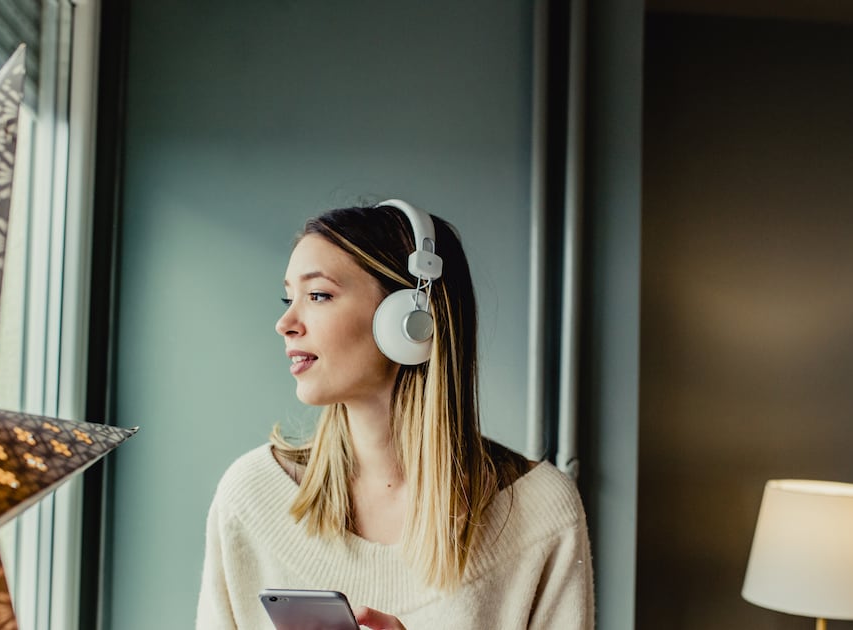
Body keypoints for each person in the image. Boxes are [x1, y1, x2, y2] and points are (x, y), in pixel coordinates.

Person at [196, 200, 594, 629]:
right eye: (287, 297)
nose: (286, 322)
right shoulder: (252, 497)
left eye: (318, 295)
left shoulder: (538, 511)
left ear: (410, 318)